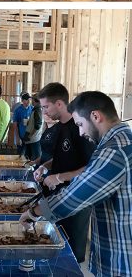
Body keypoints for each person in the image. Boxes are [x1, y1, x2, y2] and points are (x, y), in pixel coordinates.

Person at [20, 91, 132, 276]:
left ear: (96, 116)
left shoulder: (116, 149)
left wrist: (34, 212)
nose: (81, 132)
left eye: (80, 124)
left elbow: (75, 196)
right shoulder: (121, 141)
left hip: (122, 258)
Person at [31, 82, 95, 263]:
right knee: (54, 247)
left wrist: (60, 177)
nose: (44, 112)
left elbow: (92, 167)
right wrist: (45, 167)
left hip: (77, 199)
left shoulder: (80, 127)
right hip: (58, 197)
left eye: (46, 107)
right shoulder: (60, 127)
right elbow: (63, 158)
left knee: (71, 255)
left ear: (59, 103)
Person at [24, 95, 44, 161]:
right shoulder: (37, 109)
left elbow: (38, 125)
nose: (31, 101)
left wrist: (30, 135)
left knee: (33, 159)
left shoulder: (37, 110)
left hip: (34, 139)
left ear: (35, 101)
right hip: (34, 138)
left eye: (32, 99)